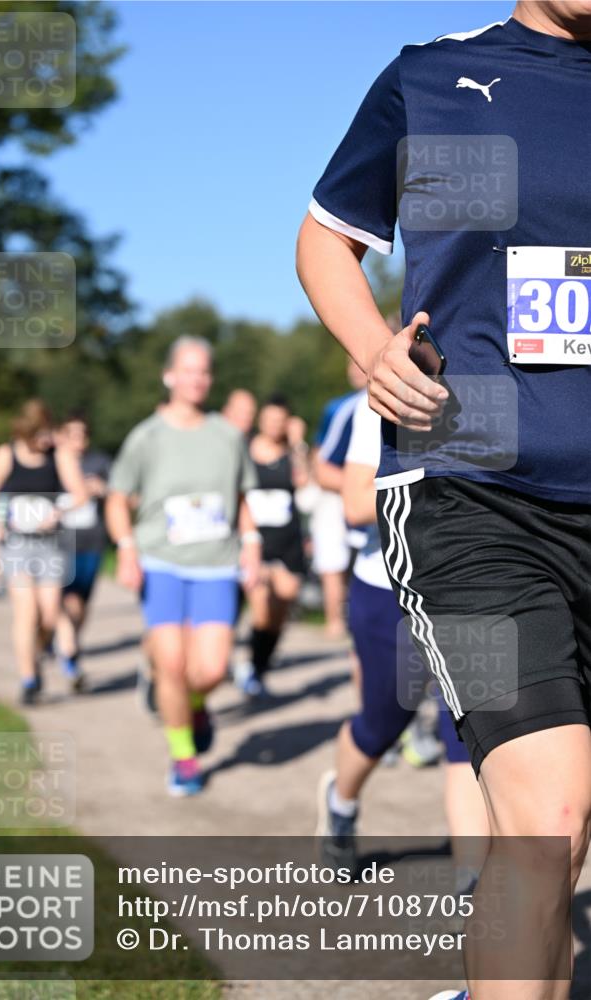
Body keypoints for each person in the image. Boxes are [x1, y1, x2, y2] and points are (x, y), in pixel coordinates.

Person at [297, 4, 591, 998]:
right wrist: (373, 350)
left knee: (556, 836)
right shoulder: (431, 79)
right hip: (468, 488)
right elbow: (325, 240)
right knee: (547, 820)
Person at [317, 395, 489, 886]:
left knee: (467, 735)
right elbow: (355, 503)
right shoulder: (384, 397)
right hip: (389, 590)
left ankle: (472, 886)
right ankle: (341, 804)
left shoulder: (494, 394)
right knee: (382, 724)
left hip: (470, 590)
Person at [106, 336, 262, 796]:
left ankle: (192, 704)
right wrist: (126, 548)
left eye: (204, 371)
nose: (196, 379)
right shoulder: (146, 436)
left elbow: (241, 498)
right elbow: (117, 498)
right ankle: (183, 758)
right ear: (169, 375)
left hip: (216, 563)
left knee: (211, 670)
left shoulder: (227, 435)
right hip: (162, 561)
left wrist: (252, 545)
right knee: (173, 663)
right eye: (188, 370)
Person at [0, 400, 87, 705]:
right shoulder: (5, 455)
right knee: (26, 612)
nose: (45, 440)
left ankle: (39, 652)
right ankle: (29, 679)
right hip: (16, 543)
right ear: (25, 432)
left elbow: (79, 494)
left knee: (50, 614)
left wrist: (58, 511)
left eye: (48, 433)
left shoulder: (59, 455)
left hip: (50, 543)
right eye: (39, 434)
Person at [234, 395, 309, 697]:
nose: (275, 425)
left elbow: (304, 483)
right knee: (262, 608)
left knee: (283, 605)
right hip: (256, 542)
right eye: (270, 419)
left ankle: (259, 665)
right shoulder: (244, 449)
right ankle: (249, 666)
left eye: (281, 420)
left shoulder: (292, 453)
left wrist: (299, 444)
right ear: (260, 420)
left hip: (288, 541)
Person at [54, 412, 112, 691]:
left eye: (82, 434)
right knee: (68, 600)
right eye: (72, 434)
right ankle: (68, 655)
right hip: (61, 543)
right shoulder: (54, 464)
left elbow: (121, 492)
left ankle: (69, 644)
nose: (78, 440)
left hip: (92, 541)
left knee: (82, 604)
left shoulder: (99, 462)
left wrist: (102, 489)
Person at [310, 358, 366, 637]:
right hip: (344, 494)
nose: (355, 369)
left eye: (359, 363)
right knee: (334, 558)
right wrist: (359, 487)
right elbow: (321, 464)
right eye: (350, 364)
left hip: (365, 495)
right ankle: (335, 620)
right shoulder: (342, 407)